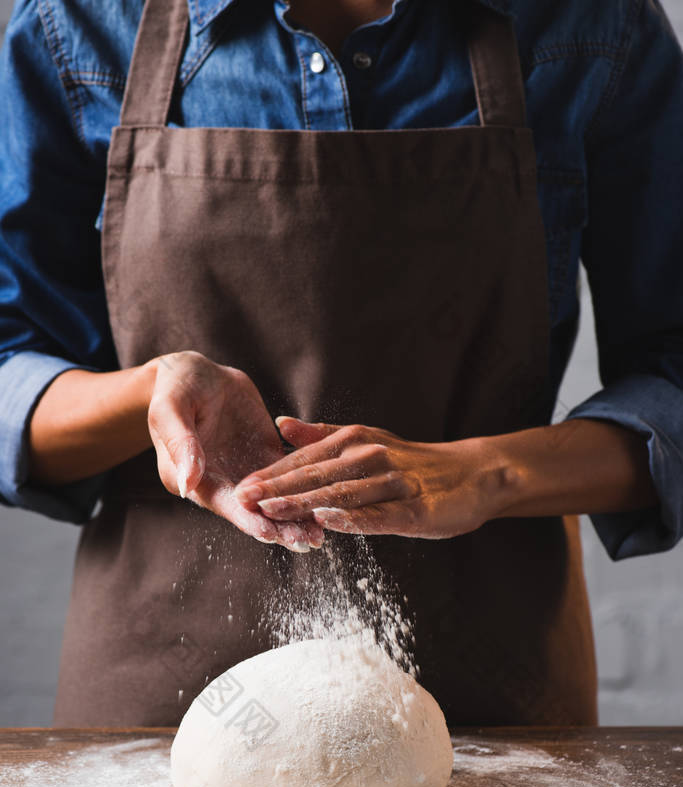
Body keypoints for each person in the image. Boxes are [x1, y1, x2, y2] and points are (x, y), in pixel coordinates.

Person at [0, 0, 681, 728]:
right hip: (160, 699)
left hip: (494, 694)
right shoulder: (77, 24)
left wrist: (484, 471)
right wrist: (149, 397)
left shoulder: (589, 25)